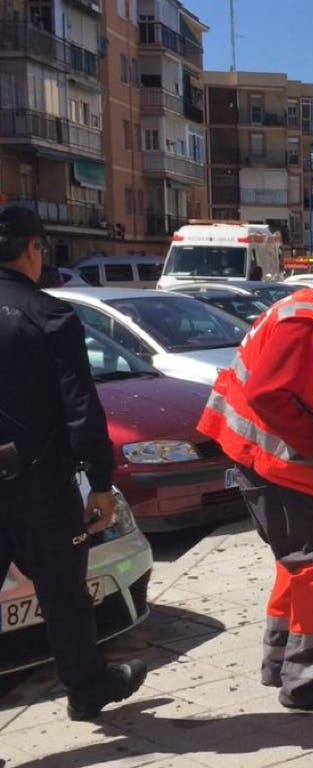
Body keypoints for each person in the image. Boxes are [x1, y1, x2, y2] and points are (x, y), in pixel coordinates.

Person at [197, 246, 313, 710]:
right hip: (272, 459)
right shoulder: (307, 321)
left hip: (270, 458)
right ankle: (309, 680)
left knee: (295, 562)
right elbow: (266, 394)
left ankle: (280, 660)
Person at [0, 206, 147, 721]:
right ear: (34, 250)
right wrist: (101, 484)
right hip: (38, 483)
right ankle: (86, 687)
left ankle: (89, 686)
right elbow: (80, 406)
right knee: (64, 592)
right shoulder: (49, 315)